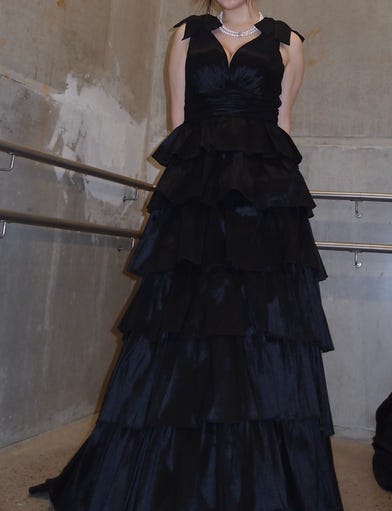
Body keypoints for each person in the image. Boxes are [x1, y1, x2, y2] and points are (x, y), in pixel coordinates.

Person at [29, 0, 344, 509]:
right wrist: (180, 200)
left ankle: (259, 473)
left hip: (262, 198)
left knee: (256, 322)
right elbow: (179, 121)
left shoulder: (289, 41)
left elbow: (283, 124)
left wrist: (281, 207)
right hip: (197, 193)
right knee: (185, 320)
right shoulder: (185, 33)